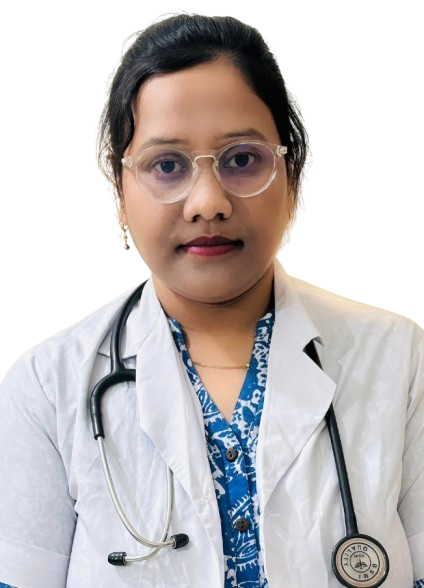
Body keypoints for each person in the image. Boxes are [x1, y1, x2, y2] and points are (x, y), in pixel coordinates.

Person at [0, 9, 422, 588]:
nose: (208, 203)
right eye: (166, 165)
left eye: (242, 159)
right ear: (118, 187)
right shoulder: (45, 386)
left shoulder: (401, 359)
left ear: (293, 172)